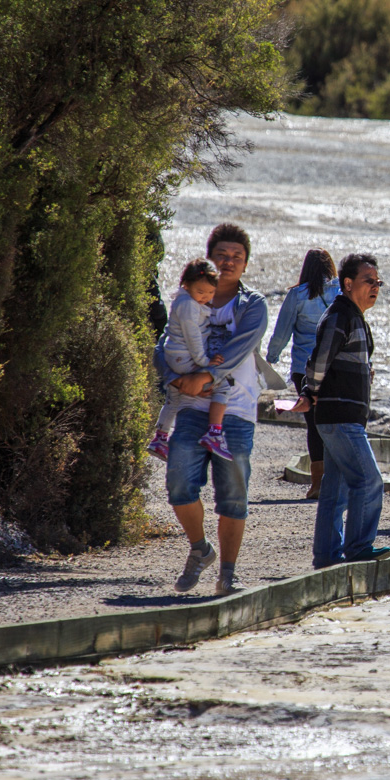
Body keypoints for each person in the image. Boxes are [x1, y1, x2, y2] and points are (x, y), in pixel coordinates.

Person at [162, 223, 268, 596]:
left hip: (235, 410)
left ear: (246, 263)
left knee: (233, 495)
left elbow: (240, 347)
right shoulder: (186, 297)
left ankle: (228, 572)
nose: (228, 262)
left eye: (237, 257)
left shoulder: (253, 304)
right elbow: (166, 342)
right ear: (210, 257)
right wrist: (174, 380)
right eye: (221, 255)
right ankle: (200, 549)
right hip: (191, 406)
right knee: (178, 483)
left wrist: (204, 376)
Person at [292, 253, 390, 568]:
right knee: (369, 480)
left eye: (378, 282)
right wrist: (311, 391)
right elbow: (319, 360)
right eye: (368, 281)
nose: (375, 287)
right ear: (348, 284)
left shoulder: (353, 315)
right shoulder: (340, 315)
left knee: (334, 494)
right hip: (340, 418)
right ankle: (359, 547)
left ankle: (326, 557)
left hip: (342, 418)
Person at [266, 249, 340, 499]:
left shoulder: (297, 295)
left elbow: (282, 331)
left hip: (304, 369)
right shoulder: (342, 291)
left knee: (313, 424)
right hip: (336, 367)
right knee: (335, 422)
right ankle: (337, 480)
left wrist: (271, 357)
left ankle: (318, 483)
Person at [147, 258, 231, 463]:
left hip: (175, 356)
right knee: (223, 385)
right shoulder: (187, 306)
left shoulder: (186, 300)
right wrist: (204, 362)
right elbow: (193, 337)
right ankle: (214, 432)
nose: (205, 297)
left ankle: (160, 438)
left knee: (173, 399)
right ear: (186, 285)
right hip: (184, 357)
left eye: (211, 293)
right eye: (201, 292)